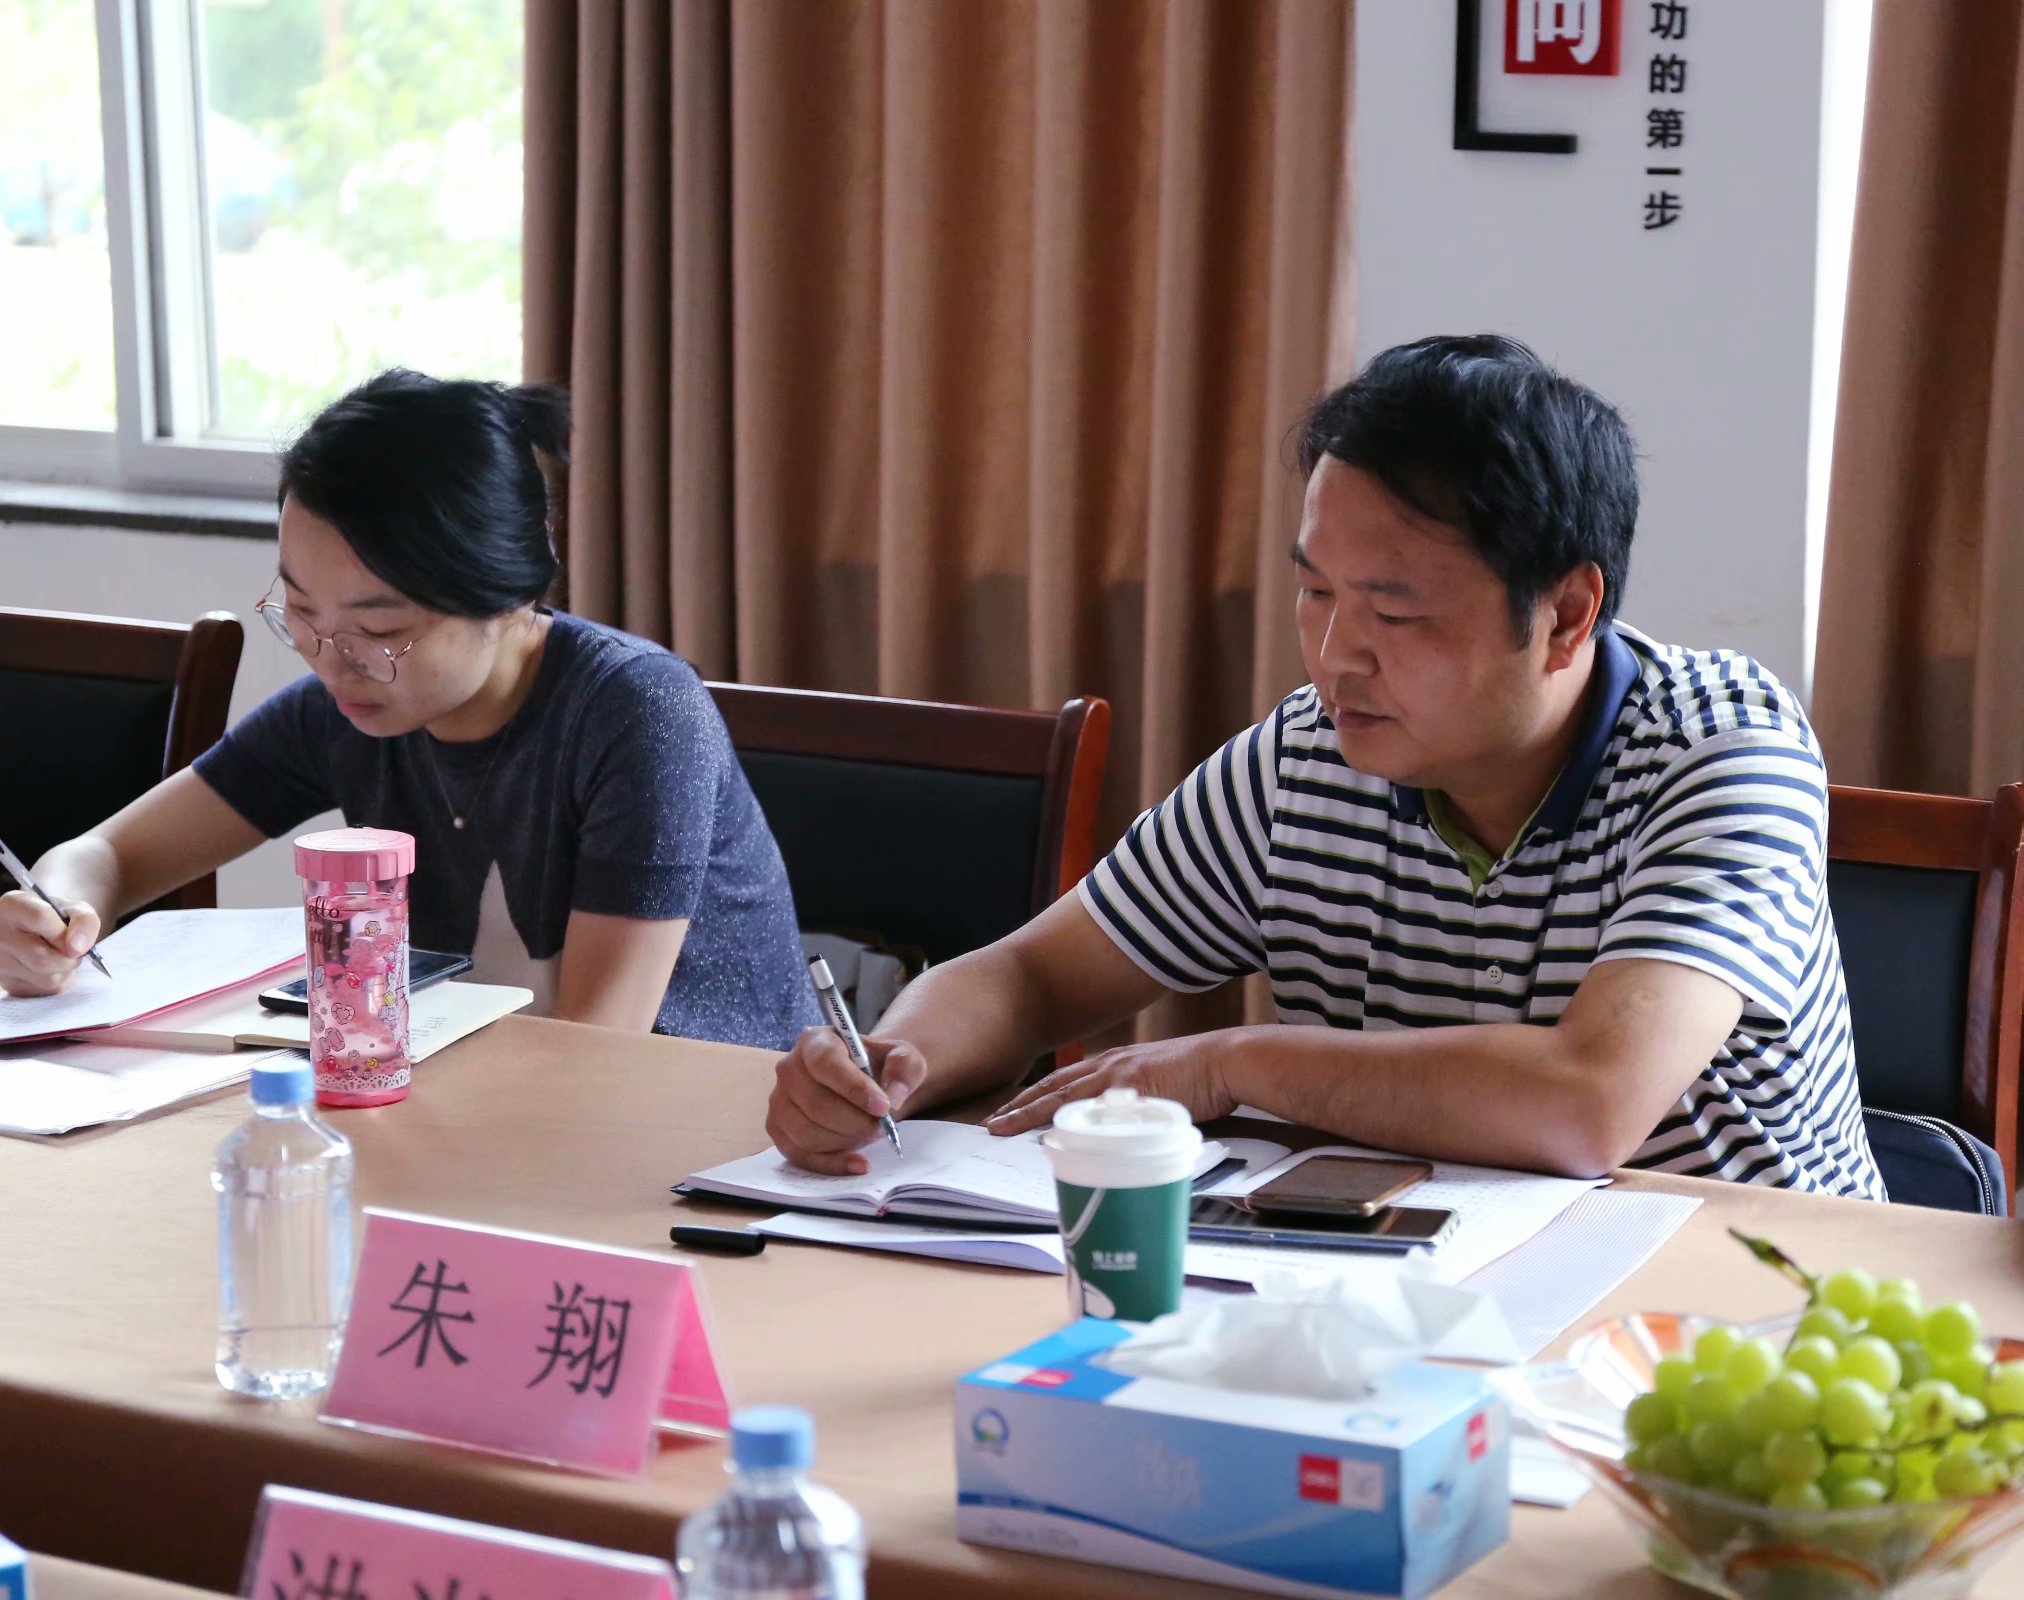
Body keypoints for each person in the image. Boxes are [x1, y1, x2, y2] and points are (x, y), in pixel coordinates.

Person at [766, 334, 1884, 1198]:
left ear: (1564, 614)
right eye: (1314, 591)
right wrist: (892, 1062)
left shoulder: (1722, 749)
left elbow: (1589, 1103)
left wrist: (1231, 1063)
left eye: (1394, 612)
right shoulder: (1309, 754)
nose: (1335, 654)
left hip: (1747, 1300)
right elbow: (1032, 977)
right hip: (1415, 1284)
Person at [0, 369, 818, 1050]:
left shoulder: (636, 712)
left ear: (511, 598)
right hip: (489, 1107)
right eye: (301, 613)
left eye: (381, 631)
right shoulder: (343, 708)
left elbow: (598, 1044)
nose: (331, 659)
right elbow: (108, 852)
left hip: (704, 1141)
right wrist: (60, 915)